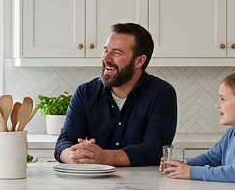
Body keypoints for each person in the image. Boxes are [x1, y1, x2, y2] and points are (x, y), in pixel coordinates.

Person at [55, 22, 177, 166]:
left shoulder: (161, 93)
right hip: (93, 182)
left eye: (117, 53)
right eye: (106, 50)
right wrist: (72, 155)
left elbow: (155, 150)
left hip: (143, 184)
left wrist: (104, 157)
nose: (106, 58)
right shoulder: (85, 92)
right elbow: (64, 142)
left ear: (139, 61)